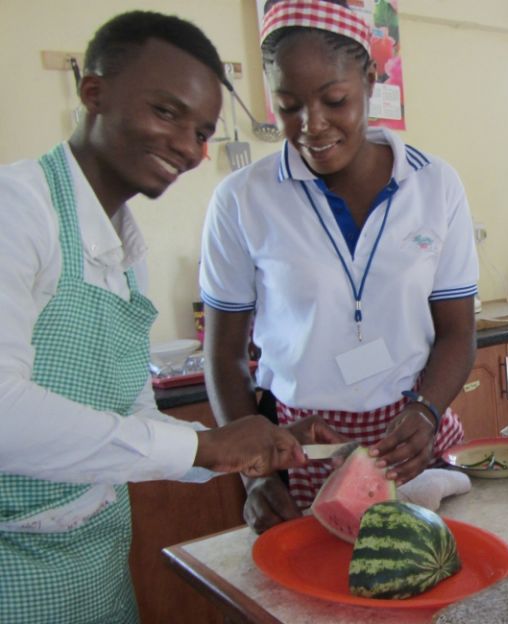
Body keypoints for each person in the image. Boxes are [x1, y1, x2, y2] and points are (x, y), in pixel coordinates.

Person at [0, 11, 330, 623]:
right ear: (92, 92)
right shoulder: (16, 210)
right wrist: (205, 446)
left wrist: (246, 452)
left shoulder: (124, 250)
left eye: (202, 131)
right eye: (167, 113)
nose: (187, 146)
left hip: (92, 569)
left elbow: (133, 419)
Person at [200, 0, 479, 533]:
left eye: (335, 100)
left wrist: (426, 411)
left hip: (413, 441)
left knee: (433, 590)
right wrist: (256, 475)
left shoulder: (434, 186)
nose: (312, 126)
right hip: (301, 451)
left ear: (370, 79)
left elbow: (457, 332)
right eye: (287, 106)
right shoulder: (242, 199)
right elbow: (224, 354)